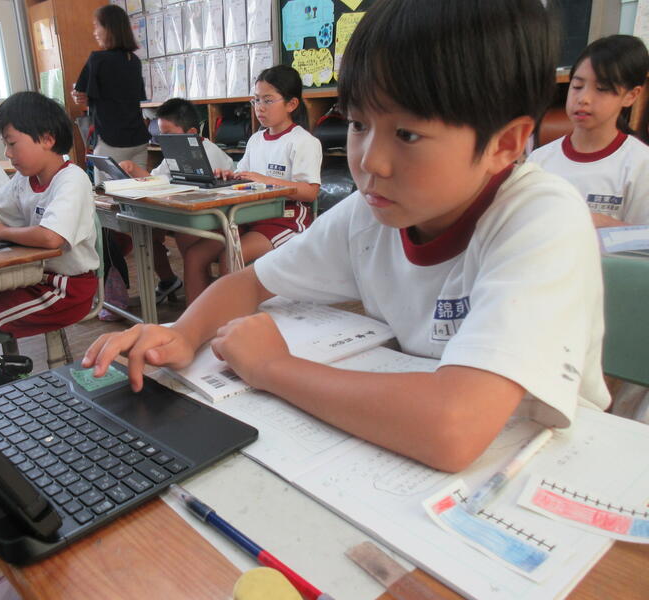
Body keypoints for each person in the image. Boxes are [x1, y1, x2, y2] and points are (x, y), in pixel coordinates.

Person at [82, 0, 610, 473]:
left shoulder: (541, 218)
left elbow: (454, 427)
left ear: (506, 144)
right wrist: (182, 332)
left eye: (407, 134)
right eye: (358, 124)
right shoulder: (371, 214)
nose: (369, 162)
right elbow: (249, 283)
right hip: (406, 447)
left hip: (544, 466)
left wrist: (273, 367)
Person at [0, 91, 98, 384]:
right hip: (32, 278)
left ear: (47, 139)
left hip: (64, 289)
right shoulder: (25, 180)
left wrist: (2, 232)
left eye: (12, 143)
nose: (8, 153)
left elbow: (51, 238)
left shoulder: (72, 179)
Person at [181, 65, 322, 304]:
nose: (260, 107)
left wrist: (266, 180)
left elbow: (310, 192)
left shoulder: (303, 141)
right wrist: (229, 176)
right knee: (195, 255)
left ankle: (232, 318)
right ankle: (195, 321)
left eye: (268, 100)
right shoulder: (256, 139)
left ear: (291, 104)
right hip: (248, 216)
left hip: (285, 219)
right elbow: (245, 176)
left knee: (231, 256)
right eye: (256, 100)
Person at [113, 97, 235, 310]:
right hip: (185, 212)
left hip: (213, 216)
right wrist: (132, 169)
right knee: (145, 232)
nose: (164, 142)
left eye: (168, 134)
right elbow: (157, 180)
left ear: (191, 133)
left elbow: (204, 194)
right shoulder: (177, 150)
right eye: (161, 135)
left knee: (187, 238)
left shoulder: (208, 153)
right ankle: (174, 283)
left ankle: (201, 300)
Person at [528, 35, 649, 227]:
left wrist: (602, 223)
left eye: (601, 88)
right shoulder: (539, 160)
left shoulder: (640, 164)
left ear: (631, 96)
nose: (583, 98)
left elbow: (643, 238)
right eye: (577, 86)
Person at [72, 4, 150, 178]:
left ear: (109, 28)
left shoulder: (97, 59)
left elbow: (80, 94)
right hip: (138, 139)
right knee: (141, 189)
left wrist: (79, 97)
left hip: (111, 141)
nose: (95, 32)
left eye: (97, 26)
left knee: (108, 193)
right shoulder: (134, 61)